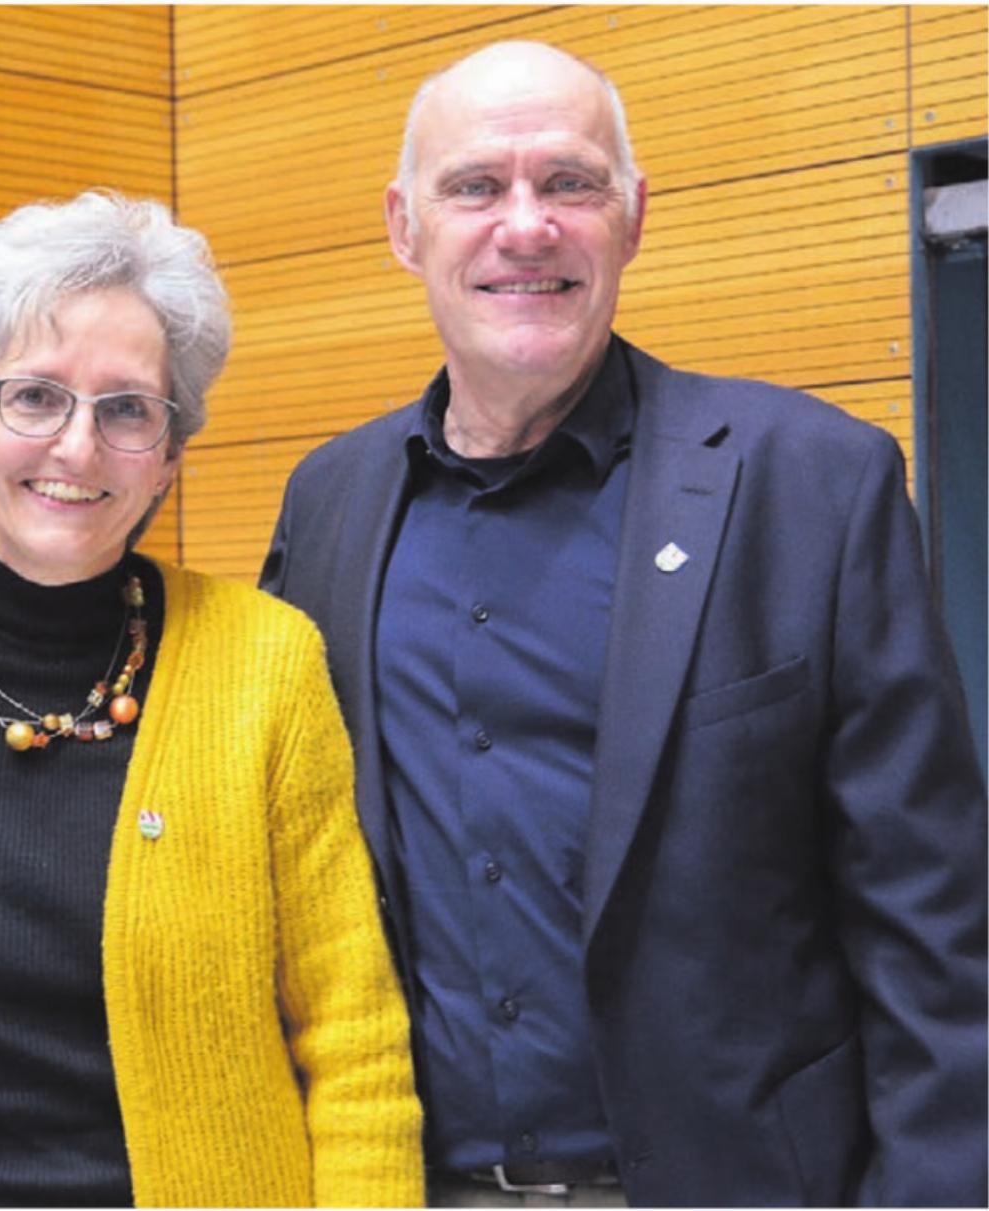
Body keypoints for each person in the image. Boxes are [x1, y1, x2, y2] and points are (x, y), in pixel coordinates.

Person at [261, 40, 988, 1208]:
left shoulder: (813, 483)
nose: (525, 225)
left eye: (570, 182)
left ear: (634, 218)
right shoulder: (330, 502)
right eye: (475, 186)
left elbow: (934, 924)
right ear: (405, 227)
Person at [0, 190, 421, 1208]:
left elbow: (354, 1041)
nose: (78, 448)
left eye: (128, 408)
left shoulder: (264, 663)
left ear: (172, 455)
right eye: (35, 396)